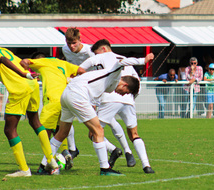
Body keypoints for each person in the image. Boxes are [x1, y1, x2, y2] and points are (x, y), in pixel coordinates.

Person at [43, 50, 154, 176]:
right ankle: (105, 168)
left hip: (67, 93)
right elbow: (122, 61)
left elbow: (95, 90)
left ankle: (43, 165)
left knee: (62, 133)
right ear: (125, 85)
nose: (123, 95)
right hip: (77, 95)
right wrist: (142, 60)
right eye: (126, 92)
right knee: (98, 131)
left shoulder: (109, 84)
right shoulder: (115, 71)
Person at [0, 33, 59, 177]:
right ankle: (51, 160)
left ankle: (24, 169)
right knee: (35, 122)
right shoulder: (1, 48)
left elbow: (3, 60)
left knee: (10, 130)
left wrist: (23, 75)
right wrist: (28, 74)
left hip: (19, 87)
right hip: (32, 84)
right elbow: (19, 61)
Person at [80, 39, 155, 173]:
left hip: (110, 97)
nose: (96, 56)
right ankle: (146, 165)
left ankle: (113, 150)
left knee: (93, 133)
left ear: (103, 49)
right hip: (129, 98)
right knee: (134, 134)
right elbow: (136, 81)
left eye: (96, 53)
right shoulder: (125, 59)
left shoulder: (100, 57)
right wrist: (132, 98)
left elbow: (80, 69)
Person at [20, 52, 86, 174]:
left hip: (53, 101)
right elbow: (82, 71)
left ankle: (47, 165)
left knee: (44, 134)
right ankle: (64, 153)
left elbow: (24, 61)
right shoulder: (63, 63)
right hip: (68, 99)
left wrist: (26, 72)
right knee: (61, 132)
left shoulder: (43, 62)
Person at [61, 27, 95, 159]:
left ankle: (122, 150)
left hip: (90, 87)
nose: (71, 46)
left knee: (94, 125)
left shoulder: (90, 51)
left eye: (74, 43)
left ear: (80, 40)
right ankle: (72, 148)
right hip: (74, 86)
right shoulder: (64, 49)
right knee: (65, 116)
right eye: (69, 43)